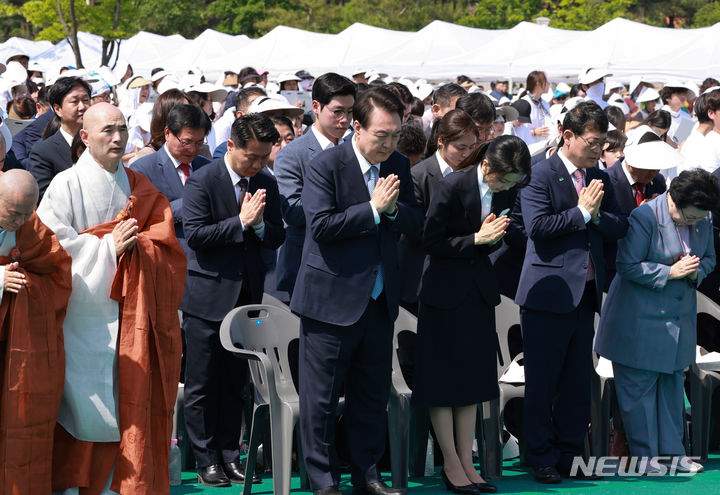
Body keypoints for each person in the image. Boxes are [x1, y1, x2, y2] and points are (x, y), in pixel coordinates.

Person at [37, 102, 186, 494]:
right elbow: (52, 250)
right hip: (83, 318)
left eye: (122, 128)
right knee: (83, 409)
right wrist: (107, 248)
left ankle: (119, 485)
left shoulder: (138, 184)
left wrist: (137, 250)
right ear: (84, 136)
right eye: (107, 131)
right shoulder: (64, 185)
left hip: (131, 314)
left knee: (127, 404)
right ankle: (73, 486)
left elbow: (165, 243)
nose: (118, 137)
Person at [291, 87, 423, 495]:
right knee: (323, 399)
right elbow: (322, 227)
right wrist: (371, 209)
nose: (389, 143)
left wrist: (395, 210)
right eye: (381, 134)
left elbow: (416, 220)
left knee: (371, 394)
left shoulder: (398, 164)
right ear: (357, 127)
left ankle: (368, 475)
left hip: (380, 300)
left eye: (395, 135)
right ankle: (323, 479)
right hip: (331, 302)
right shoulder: (326, 165)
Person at [515, 101, 628, 483]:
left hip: (587, 293)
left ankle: (568, 452)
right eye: (593, 142)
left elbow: (618, 225)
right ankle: (541, 454)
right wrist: (581, 213)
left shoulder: (601, 175)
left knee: (578, 379)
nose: (598, 150)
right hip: (548, 293)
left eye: (602, 143)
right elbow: (537, 227)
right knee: (543, 380)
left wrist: (596, 215)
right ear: (568, 136)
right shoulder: (539, 173)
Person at [413, 136, 530, 494]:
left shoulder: (506, 191)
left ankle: (468, 459)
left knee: (473, 382)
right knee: (444, 382)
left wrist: (490, 239)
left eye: (514, 183)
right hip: (443, 295)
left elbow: (495, 238)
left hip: (478, 293)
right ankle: (450, 461)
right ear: (488, 166)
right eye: (506, 180)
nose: (509, 188)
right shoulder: (451, 186)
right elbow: (428, 241)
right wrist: (476, 240)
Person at [181, 113, 285, 487]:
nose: (256, 165)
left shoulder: (266, 183)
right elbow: (195, 235)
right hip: (207, 298)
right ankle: (205, 458)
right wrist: (241, 222)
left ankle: (230, 453)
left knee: (235, 381)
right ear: (231, 146)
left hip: (246, 299)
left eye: (263, 158)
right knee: (202, 382)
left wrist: (259, 225)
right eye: (250, 157)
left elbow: (276, 236)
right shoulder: (203, 180)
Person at [594, 169, 719, 474]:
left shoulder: (704, 219)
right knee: (639, 391)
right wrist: (669, 273)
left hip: (679, 320)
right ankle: (645, 457)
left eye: (699, 218)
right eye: (688, 216)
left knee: (672, 387)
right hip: (638, 318)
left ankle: (675, 454)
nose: (694, 222)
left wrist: (695, 272)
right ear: (674, 201)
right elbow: (627, 265)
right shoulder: (645, 217)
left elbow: (711, 260)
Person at [0, 169, 72, 494]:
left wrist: (28, 284)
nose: (22, 220)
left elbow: (56, 267)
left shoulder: (32, 225)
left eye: (29, 212)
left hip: (18, 348)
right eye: (14, 213)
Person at [274, 72, 356, 296]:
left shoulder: (356, 148)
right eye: (337, 111)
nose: (345, 119)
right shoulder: (292, 155)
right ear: (317, 107)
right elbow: (293, 212)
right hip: (306, 268)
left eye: (350, 112)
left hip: (352, 270)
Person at [399, 109, 478, 314]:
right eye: (461, 147)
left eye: (472, 147)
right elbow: (417, 232)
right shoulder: (418, 175)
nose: (467, 154)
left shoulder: (474, 174)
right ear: (441, 141)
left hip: (463, 279)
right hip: (422, 278)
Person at [604, 134, 676, 289]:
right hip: (613, 265)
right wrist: (640, 213)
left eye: (657, 168)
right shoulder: (606, 180)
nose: (654, 173)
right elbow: (604, 225)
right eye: (649, 168)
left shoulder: (657, 182)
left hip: (647, 265)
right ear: (631, 162)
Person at [28, 76, 91, 201]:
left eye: (86, 100)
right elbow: (46, 198)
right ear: (58, 109)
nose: (82, 106)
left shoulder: (100, 142)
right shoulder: (43, 152)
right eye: (75, 102)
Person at [128, 88, 192, 165]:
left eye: (191, 113)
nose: (190, 119)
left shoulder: (199, 154)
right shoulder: (144, 160)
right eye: (184, 113)